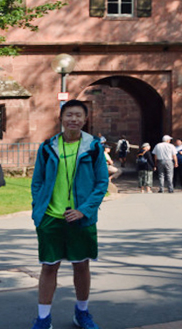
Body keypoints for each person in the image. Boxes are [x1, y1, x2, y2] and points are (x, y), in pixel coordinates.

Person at [30, 99, 109, 329]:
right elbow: (38, 181)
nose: (73, 119)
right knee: (48, 267)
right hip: (51, 218)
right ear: (61, 119)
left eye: (78, 115)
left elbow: (101, 183)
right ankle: (43, 318)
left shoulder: (93, 147)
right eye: (69, 115)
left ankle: (81, 313)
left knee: (81, 266)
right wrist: (39, 211)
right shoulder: (47, 147)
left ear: (85, 120)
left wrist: (83, 211)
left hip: (81, 219)